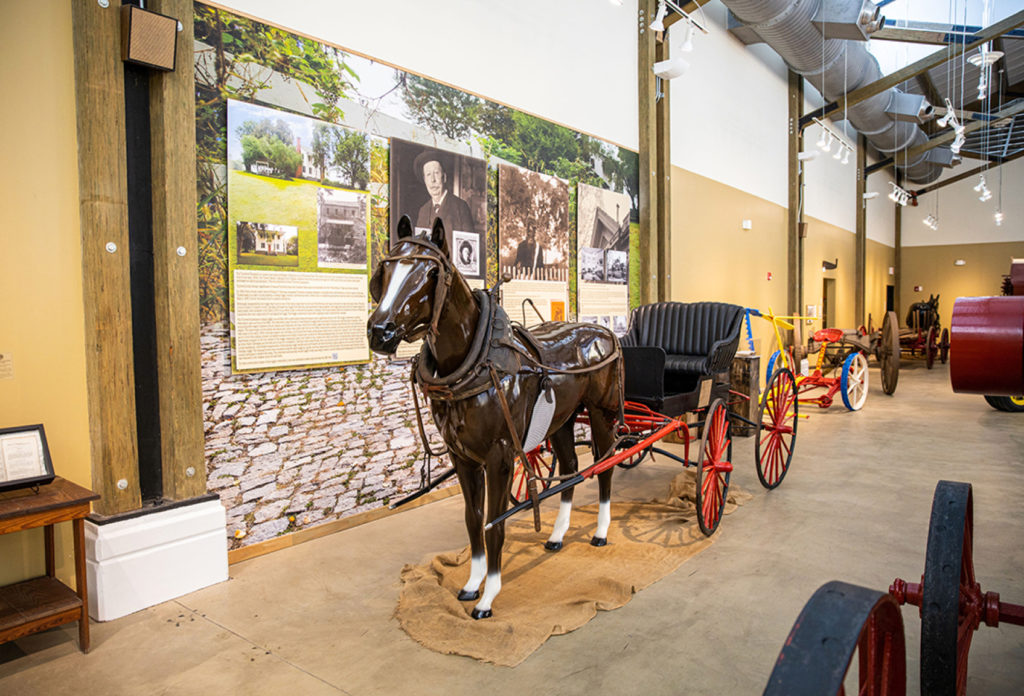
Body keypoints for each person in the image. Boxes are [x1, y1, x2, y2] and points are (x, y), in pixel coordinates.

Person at [413, 150, 475, 235]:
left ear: (444, 177)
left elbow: (469, 245)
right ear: (425, 181)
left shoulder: (461, 207)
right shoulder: (423, 211)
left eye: (436, 173)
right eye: (428, 174)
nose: (432, 180)